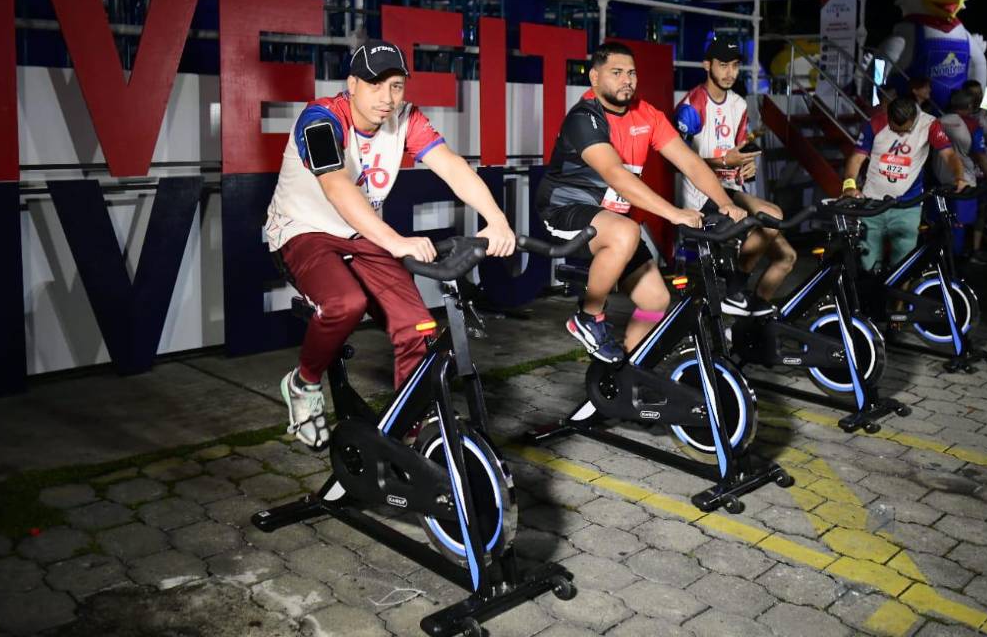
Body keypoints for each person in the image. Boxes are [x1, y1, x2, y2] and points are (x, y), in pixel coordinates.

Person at [264, 40, 517, 449]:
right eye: (376, 85)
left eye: (396, 86)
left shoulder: (406, 118)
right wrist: (396, 242)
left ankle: (414, 427)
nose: (387, 98)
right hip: (303, 229)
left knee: (417, 324)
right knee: (345, 303)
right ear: (352, 84)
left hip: (364, 233)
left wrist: (497, 219)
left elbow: (451, 166)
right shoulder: (321, 120)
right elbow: (336, 187)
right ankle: (303, 383)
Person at [536, 41, 747, 363]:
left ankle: (630, 367)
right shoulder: (584, 117)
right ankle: (588, 317)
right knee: (625, 231)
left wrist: (723, 203)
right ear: (594, 78)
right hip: (565, 210)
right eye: (617, 73)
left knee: (655, 301)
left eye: (631, 73)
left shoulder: (646, 114)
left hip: (615, 221)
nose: (627, 80)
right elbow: (616, 175)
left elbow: (690, 162)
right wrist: (674, 213)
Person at [674, 37, 796, 309]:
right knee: (772, 216)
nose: (730, 72)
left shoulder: (739, 104)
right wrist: (723, 161)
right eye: (723, 65)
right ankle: (735, 287)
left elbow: (737, 152)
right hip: (701, 197)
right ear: (707, 65)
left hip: (731, 191)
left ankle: (746, 316)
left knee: (786, 257)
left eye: (735, 66)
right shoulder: (691, 106)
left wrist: (743, 166)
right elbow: (678, 161)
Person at [842, 95, 967, 272]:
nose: (900, 135)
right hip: (871, 204)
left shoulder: (929, 125)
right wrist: (849, 186)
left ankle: (899, 300)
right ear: (888, 117)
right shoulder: (874, 123)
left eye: (905, 131)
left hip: (908, 206)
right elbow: (856, 158)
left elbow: (949, 155)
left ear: (914, 119)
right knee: (867, 265)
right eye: (895, 130)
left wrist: (959, 178)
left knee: (903, 267)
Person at [935, 88, 987, 261]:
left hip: (940, 179)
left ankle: (942, 256)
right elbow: (981, 156)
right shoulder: (971, 125)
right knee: (961, 222)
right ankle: (957, 258)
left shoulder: (938, 121)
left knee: (943, 220)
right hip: (965, 182)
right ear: (969, 105)